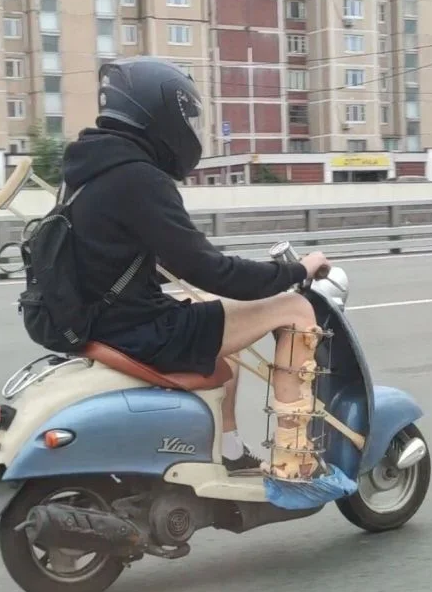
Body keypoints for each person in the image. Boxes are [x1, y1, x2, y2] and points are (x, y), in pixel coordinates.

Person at [62, 56, 330, 477]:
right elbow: (211, 270)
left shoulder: (86, 170)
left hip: (102, 320)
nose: (188, 128)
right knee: (295, 309)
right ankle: (293, 461)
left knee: (209, 304)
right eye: (185, 116)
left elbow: (112, 255)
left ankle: (230, 448)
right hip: (135, 330)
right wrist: (297, 271)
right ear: (160, 113)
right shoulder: (138, 177)